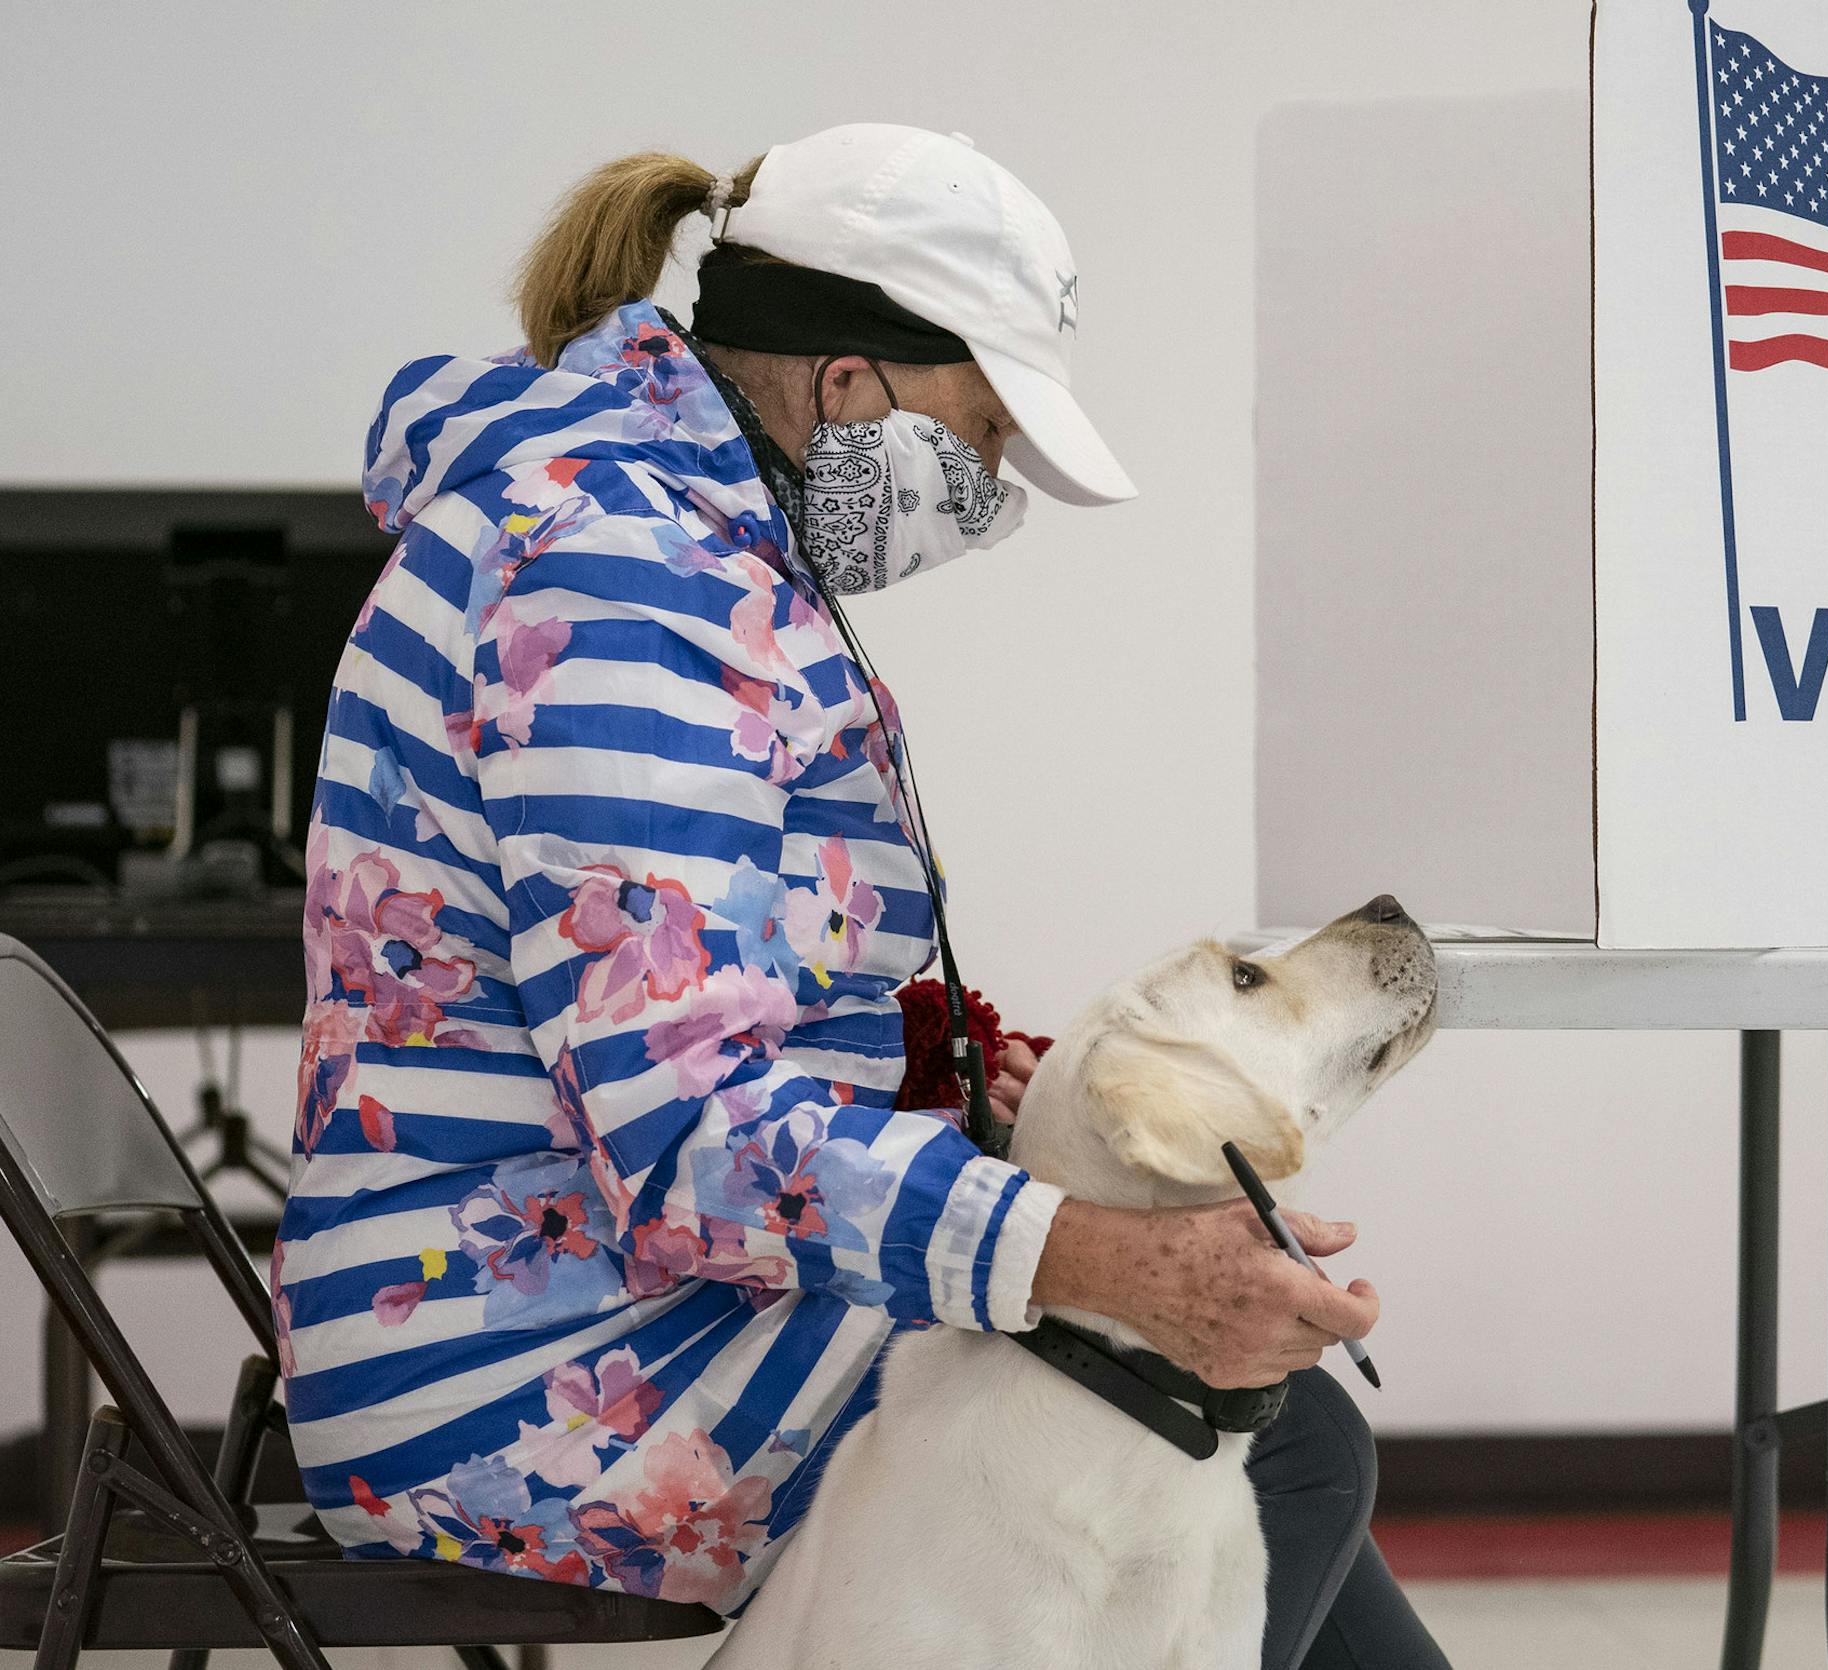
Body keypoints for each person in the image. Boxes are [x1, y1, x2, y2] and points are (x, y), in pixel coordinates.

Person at [274, 125, 1449, 1669]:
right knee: (1234, 1430)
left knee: (1253, 1426)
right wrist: (1099, 1251)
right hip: (524, 1363)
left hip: (572, 1288)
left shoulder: (680, 537)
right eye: (978, 437)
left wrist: (998, 1106)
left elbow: (735, 1009)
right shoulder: (618, 574)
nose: (991, 487)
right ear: (848, 385)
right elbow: (690, 1134)